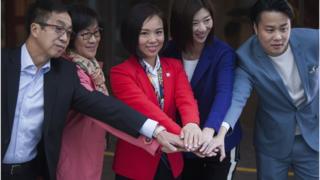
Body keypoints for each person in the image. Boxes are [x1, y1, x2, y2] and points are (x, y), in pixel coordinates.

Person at [1, 1, 184, 180]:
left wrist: (157, 131)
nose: (64, 38)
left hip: (32, 170)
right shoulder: (4, 65)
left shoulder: (64, 73)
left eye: (68, 32)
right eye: (58, 29)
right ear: (35, 29)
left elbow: (104, 107)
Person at [212, 0, 319, 179]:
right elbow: (238, 98)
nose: (278, 36)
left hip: (312, 135)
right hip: (272, 141)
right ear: (255, 28)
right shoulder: (246, 58)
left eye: (284, 28)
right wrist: (220, 133)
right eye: (269, 30)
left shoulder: (312, 41)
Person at [110, 3, 203, 180]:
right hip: (135, 163)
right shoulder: (121, 72)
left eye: (158, 32)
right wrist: (184, 138)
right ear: (132, 35)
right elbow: (146, 110)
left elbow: (186, 100)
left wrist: (192, 125)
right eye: (144, 33)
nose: (153, 39)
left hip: (172, 160)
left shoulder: (174, 66)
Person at [163, 0, 242, 179]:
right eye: (194, 23)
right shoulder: (169, 51)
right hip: (185, 142)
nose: (202, 28)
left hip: (217, 141)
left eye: (207, 20)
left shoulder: (223, 53)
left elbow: (224, 94)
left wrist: (208, 131)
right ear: (180, 24)